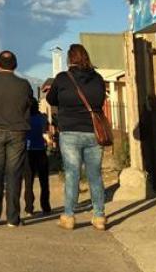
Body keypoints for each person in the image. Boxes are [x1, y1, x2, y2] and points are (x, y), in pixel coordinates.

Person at [46, 43, 107, 231]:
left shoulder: (63, 78)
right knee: (95, 175)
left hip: (70, 132)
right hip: (93, 133)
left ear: (69, 59)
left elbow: (50, 99)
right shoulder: (97, 78)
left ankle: (69, 216)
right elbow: (100, 100)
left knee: (72, 173)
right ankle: (99, 216)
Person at [0, 50, 35, 228]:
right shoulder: (24, 84)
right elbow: (30, 102)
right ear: (16, 65)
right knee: (14, 174)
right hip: (17, 131)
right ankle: (13, 218)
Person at [22, 100, 51, 217]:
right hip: (41, 151)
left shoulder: (24, 119)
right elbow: (46, 132)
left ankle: (29, 208)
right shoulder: (43, 118)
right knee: (44, 181)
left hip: (28, 152)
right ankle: (46, 207)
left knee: (28, 182)